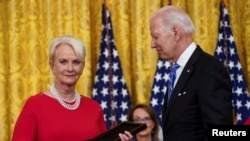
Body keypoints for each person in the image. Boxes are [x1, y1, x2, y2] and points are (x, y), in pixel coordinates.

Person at [12, 35, 133, 141]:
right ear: (52, 66)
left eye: (76, 62)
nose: (70, 68)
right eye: (63, 62)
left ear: (82, 66)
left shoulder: (94, 108)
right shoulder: (34, 105)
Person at [149, 6, 233, 141]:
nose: (152, 44)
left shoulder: (208, 69)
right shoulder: (178, 70)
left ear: (176, 32)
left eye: (156, 36)